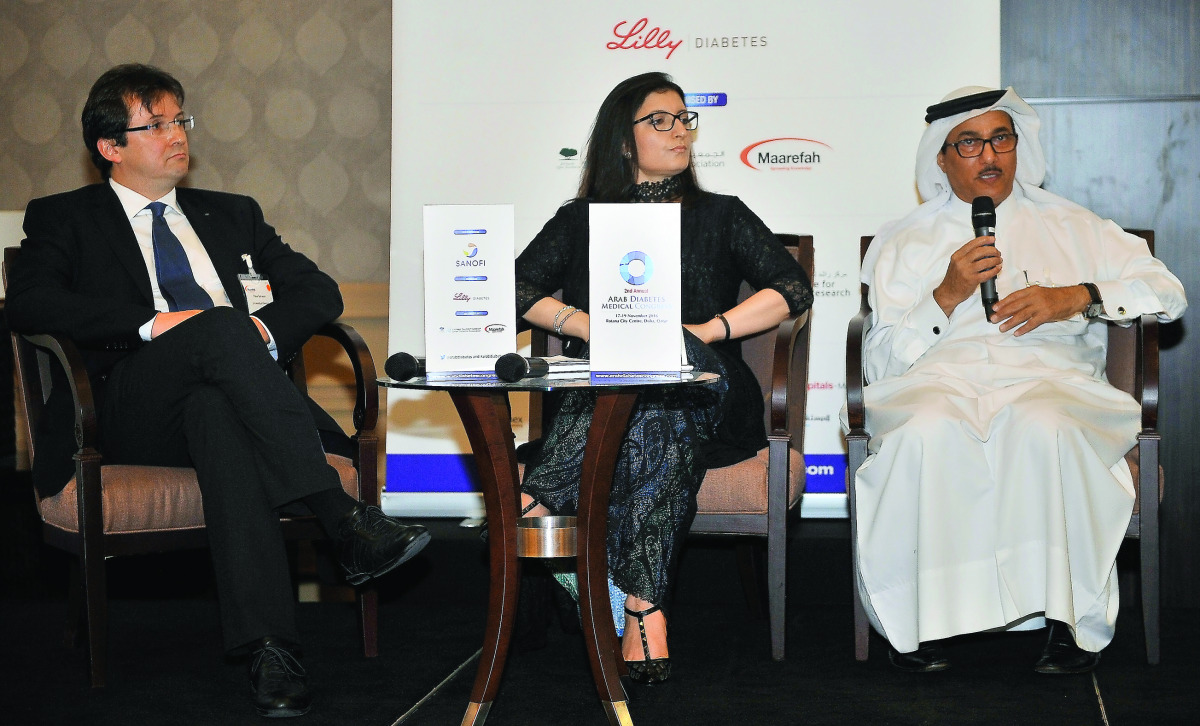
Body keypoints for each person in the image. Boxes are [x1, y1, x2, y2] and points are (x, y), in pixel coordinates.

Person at [5, 64, 430, 717]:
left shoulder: (233, 215)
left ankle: (270, 651)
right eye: (156, 125)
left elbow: (317, 293)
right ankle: (341, 520)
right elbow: (29, 303)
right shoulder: (65, 217)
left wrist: (256, 332)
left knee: (217, 408)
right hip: (125, 407)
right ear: (110, 147)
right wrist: (150, 323)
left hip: (230, 402)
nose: (176, 135)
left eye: (180, 120)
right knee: (214, 330)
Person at [850, 86, 1187, 674]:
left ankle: (1066, 619)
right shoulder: (902, 239)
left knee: (1043, 425)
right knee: (924, 432)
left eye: (1000, 139)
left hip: (1048, 380)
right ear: (942, 158)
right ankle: (921, 623)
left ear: (1017, 146)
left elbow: (1168, 293)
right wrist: (946, 296)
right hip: (940, 383)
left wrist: (1077, 297)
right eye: (970, 143)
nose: (989, 155)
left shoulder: (1074, 224)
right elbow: (879, 363)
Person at [514, 71, 813, 683]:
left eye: (684, 119)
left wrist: (701, 334)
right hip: (613, 394)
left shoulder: (722, 214)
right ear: (624, 141)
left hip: (706, 387)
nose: (680, 131)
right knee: (653, 415)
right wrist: (591, 326)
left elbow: (792, 289)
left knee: (665, 391)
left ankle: (544, 501)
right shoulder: (581, 221)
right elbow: (511, 288)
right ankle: (642, 606)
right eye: (662, 120)